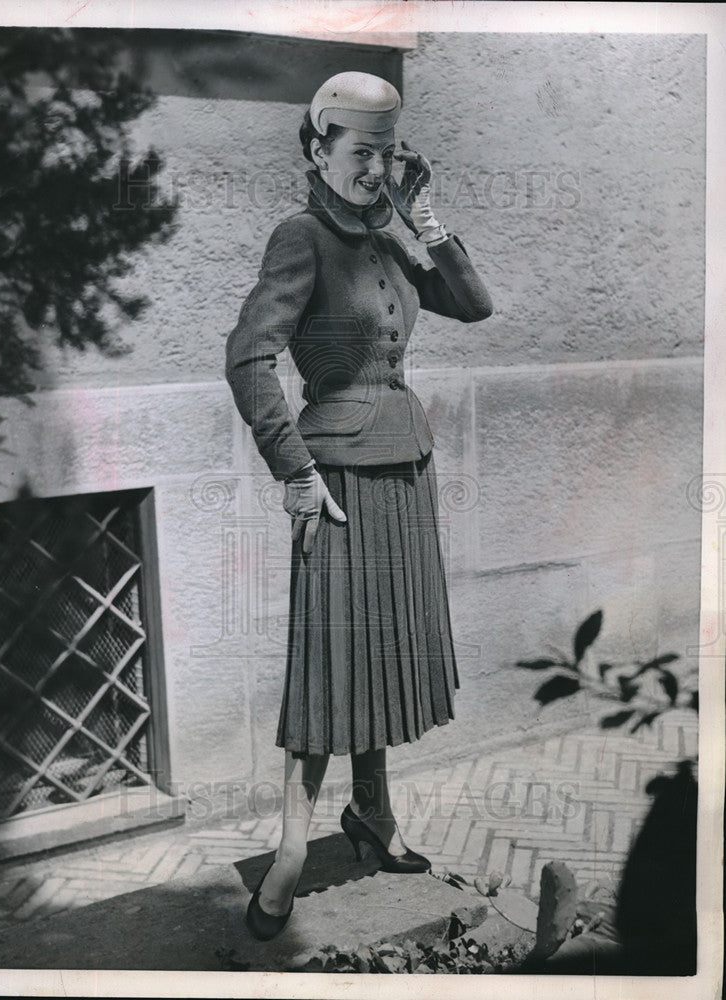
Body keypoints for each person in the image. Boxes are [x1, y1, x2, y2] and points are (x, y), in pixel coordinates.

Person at [225, 71, 493, 941]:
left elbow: (473, 305)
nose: (376, 170)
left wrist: (424, 217)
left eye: (387, 154)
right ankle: (293, 850)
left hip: (404, 468)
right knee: (329, 670)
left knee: (382, 658)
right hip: (337, 484)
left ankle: (373, 818)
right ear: (318, 148)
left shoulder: (389, 235)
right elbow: (249, 359)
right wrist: (294, 472)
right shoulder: (299, 237)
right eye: (360, 153)